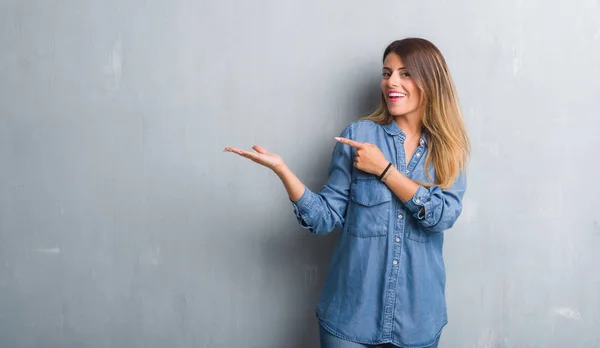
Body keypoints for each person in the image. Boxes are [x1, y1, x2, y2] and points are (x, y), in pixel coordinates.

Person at [224, 37, 469, 348]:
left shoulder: (449, 150)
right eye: (387, 73)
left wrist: (385, 171)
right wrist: (283, 171)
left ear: (431, 81)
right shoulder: (359, 136)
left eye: (405, 73)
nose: (391, 81)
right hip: (351, 318)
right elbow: (325, 218)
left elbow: (440, 217)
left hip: (417, 320)